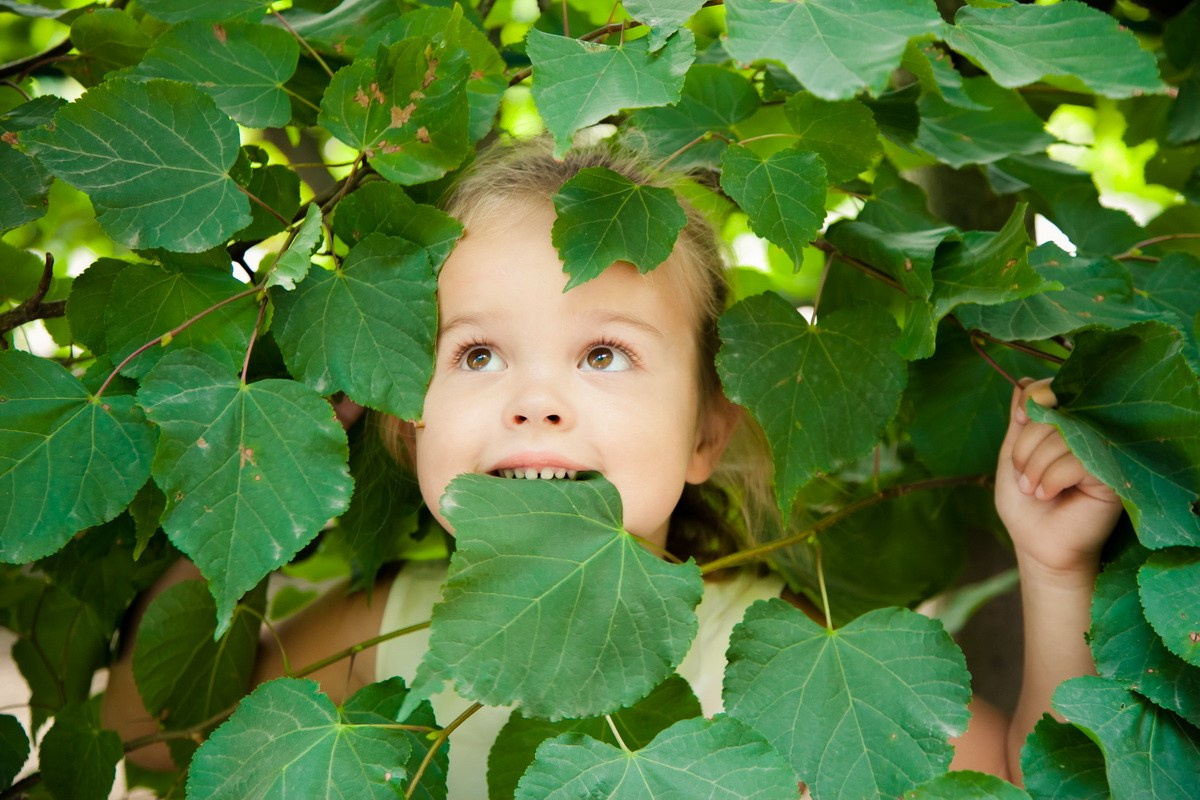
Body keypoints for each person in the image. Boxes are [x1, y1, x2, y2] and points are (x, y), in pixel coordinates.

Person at [103, 138, 1123, 795]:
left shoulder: (772, 659)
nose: (535, 398)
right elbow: (153, 737)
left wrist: (1054, 566)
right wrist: (267, 487)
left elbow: (1030, 785)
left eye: (603, 353)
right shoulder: (382, 634)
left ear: (705, 433)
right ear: (408, 424)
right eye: (476, 353)